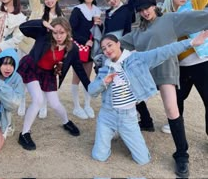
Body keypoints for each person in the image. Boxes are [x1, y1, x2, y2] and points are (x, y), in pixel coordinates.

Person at [88, 31, 208, 171]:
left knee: (142, 159)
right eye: (104, 48)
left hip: (128, 117)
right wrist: (103, 82)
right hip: (107, 116)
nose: (107, 50)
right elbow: (91, 90)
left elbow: (163, 51)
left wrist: (190, 43)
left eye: (110, 45)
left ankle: (120, 133)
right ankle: (111, 132)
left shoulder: (136, 58)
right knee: (99, 156)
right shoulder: (105, 69)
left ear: (118, 44)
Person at [120, 0, 208, 178]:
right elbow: (114, 44)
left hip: (165, 70)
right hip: (145, 74)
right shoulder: (137, 32)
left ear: (154, 6)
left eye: (148, 8)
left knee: (171, 109)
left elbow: (197, 18)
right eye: (141, 10)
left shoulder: (169, 19)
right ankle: (135, 131)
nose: (145, 12)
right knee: (125, 96)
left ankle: (182, 155)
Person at [17, 16, 90, 150]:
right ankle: (24, 133)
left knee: (55, 104)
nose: (58, 36)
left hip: (48, 74)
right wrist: (41, 23)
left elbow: (78, 68)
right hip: (32, 68)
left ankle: (66, 122)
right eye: (55, 32)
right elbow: (23, 28)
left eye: (62, 32)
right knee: (38, 100)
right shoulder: (43, 36)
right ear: (51, 31)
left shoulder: (72, 48)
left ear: (68, 32)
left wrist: (89, 87)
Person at [102, 0, 157, 132]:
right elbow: (106, 32)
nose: (111, 1)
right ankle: (129, 119)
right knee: (116, 85)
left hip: (124, 50)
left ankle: (145, 120)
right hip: (110, 52)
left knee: (130, 85)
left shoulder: (126, 9)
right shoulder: (108, 14)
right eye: (108, 0)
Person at [163, 0, 208, 137]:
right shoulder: (165, 16)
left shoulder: (193, 5)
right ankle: (176, 120)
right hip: (179, 65)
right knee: (177, 97)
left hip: (201, 62)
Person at [17, 0, 63, 117]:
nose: (49, 0)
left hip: (48, 52)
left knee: (44, 78)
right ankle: (22, 102)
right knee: (24, 76)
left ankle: (42, 105)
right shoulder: (38, 9)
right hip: (28, 47)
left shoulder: (61, 18)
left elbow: (63, 36)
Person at [69, 0, 103, 119]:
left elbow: (99, 31)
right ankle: (76, 107)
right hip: (78, 47)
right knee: (77, 77)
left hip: (91, 48)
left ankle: (87, 105)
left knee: (87, 77)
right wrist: (84, 41)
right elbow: (70, 30)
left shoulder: (97, 10)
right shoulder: (77, 10)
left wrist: (101, 24)